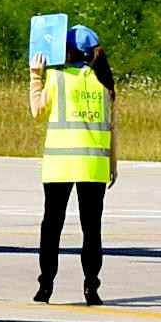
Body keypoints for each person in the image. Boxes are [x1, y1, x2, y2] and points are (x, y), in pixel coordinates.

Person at [30, 22, 114, 304]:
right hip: (94, 165)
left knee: (52, 225)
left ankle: (46, 286)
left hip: (60, 163)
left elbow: (36, 110)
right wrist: (113, 164)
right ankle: (92, 287)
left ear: (68, 51)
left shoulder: (57, 78)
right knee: (92, 229)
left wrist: (35, 76)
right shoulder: (105, 82)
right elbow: (112, 127)